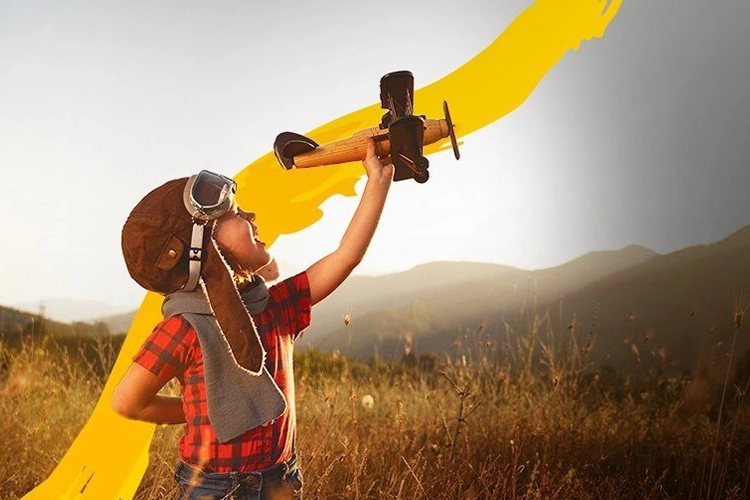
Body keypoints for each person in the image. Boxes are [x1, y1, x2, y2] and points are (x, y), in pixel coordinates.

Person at [112, 138, 393, 499]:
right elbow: (126, 402)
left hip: (281, 480)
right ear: (203, 247)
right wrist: (193, 411)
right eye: (234, 214)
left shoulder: (275, 305)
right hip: (212, 489)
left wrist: (378, 180)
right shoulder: (183, 328)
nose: (251, 217)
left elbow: (346, 256)